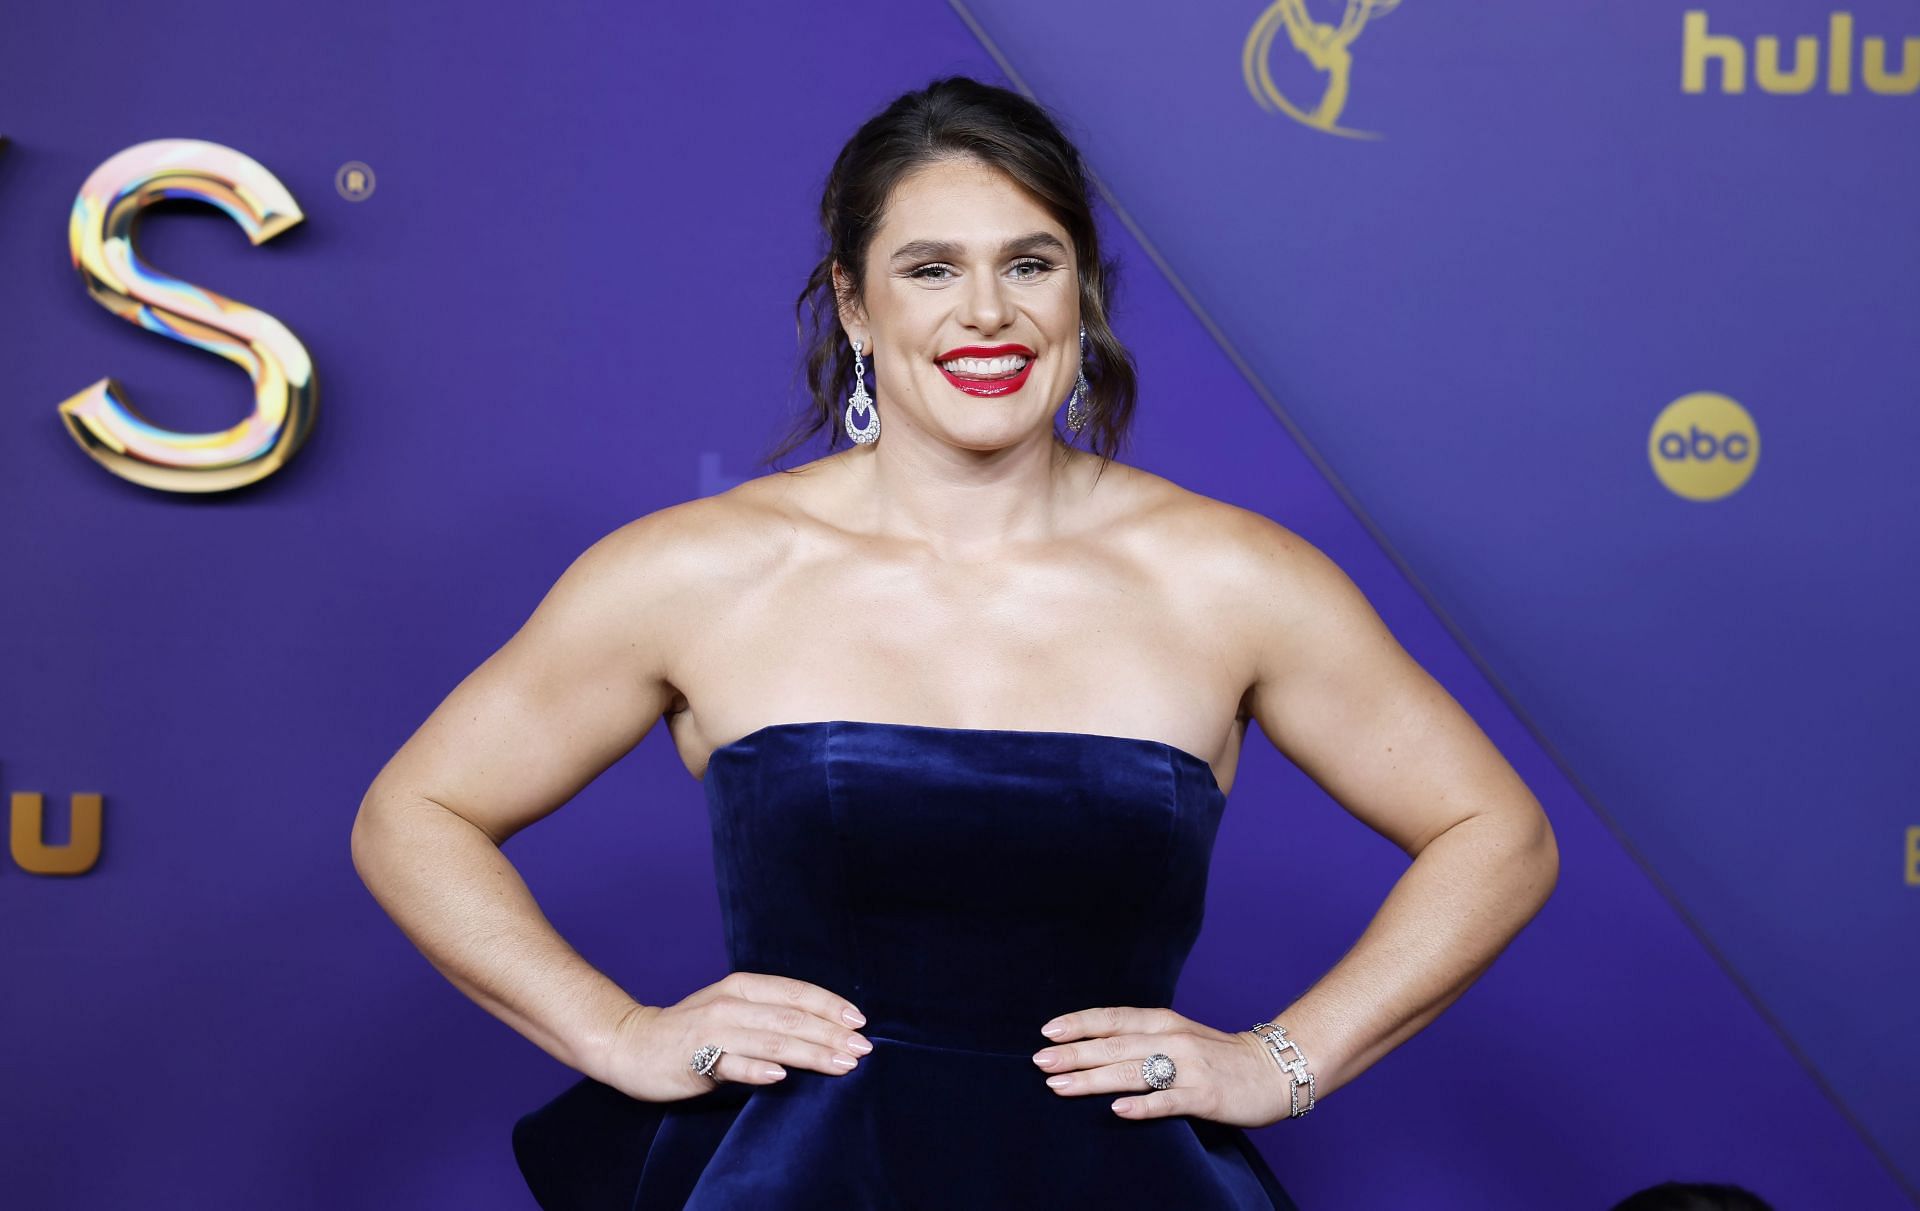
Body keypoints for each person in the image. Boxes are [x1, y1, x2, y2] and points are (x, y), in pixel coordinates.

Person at [350, 74, 1559, 1210]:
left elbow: (1495, 834)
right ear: (853, 303)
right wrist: (615, 1032)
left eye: (1030, 263)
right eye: (931, 268)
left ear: (1079, 293)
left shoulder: (1234, 578)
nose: (987, 312)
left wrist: (1281, 1061)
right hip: (786, 1177)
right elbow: (417, 814)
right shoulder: (693, 571)